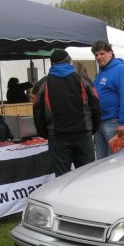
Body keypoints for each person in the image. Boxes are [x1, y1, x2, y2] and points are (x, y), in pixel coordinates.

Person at [32, 49, 101, 177]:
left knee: (62, 179)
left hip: (58, 138)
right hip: (83, 136)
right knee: (87, 176)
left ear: (52, 63)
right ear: (69, 61)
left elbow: (37, 114)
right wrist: (93, 129)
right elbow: (96, 107)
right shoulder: (84, 80)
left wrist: (45, 134)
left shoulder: (41, 84)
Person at [91, 40, 124, 159]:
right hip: (100, 122)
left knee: (115, 160)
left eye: (102, 53)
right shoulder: (101, 72)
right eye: (96, 55)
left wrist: (122, 123)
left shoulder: (121, 70)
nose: (99, 57)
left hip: (114, 123)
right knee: (101, 160)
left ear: (110, 53)